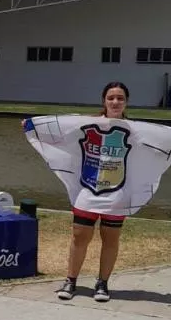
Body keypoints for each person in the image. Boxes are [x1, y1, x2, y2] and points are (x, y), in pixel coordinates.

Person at [23, 82, 130, 303]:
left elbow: (156, 148)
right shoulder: (88, 124)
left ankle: (102, 283)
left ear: (126, 101)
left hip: (116, 192)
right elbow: (62, 133)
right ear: (104, 101)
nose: (115, 102)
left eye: (120, 98)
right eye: (111, 97)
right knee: (79, 235)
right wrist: (35, 127)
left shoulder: (135, 130)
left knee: (110, 238)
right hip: (89, 188)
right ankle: (71, 280)